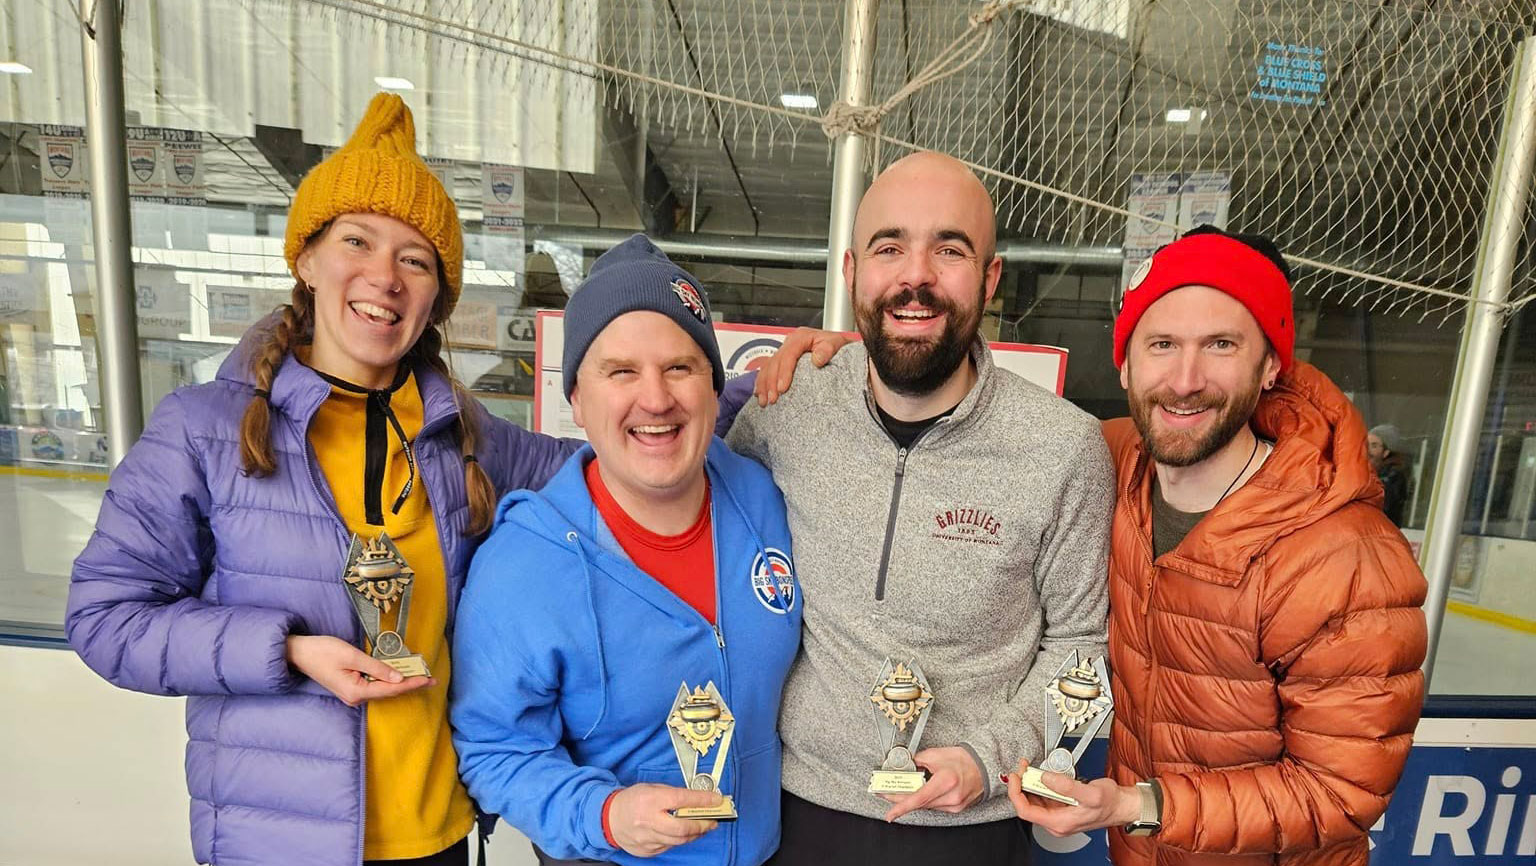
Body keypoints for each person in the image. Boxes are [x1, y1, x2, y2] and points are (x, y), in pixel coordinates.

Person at [64, 95, 772, 866]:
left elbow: (630, 439)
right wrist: (288, 651)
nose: (385, 277)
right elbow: (104, 618)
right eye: (357, 241)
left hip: (437, 837)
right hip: (281, 842)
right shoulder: (202, 429)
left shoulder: (460, 436)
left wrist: (768, 386)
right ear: (306, 258)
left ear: (437, 293)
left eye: (415, 258)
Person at [726, 151, 1113, 865]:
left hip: (972, 826)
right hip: (792, 812)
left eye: (950, 249)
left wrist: (985, 755)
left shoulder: (1063, 448)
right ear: (851, 274)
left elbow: (1082, 645)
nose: (916, 275)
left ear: (990, 278)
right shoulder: (788, 407)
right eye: (890, 247)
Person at [999, 227, 1428, 865]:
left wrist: (1136, 806)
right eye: (1162, 344)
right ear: (1125, 363)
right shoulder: (1112, 462)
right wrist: (836, 363)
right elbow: (971, 411)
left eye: (1221, 344)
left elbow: (1340, 790)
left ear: (1272, 366)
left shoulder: (1344, 556)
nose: (1185, 379)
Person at [449, 235, 801, 866]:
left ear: (712, 387)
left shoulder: (767, 496)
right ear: (578, 401)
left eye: (679, 366)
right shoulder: (521, 567)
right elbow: (493, 749)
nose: (656, 398)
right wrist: (604, 815)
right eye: (620, 372)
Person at [1368, 423, 1410, 526]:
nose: (1367, 450)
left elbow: (1379, 504)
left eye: (1374, 445)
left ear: (1386, 452)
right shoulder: (1367, 472)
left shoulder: (1394, 477)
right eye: (1366, 445)